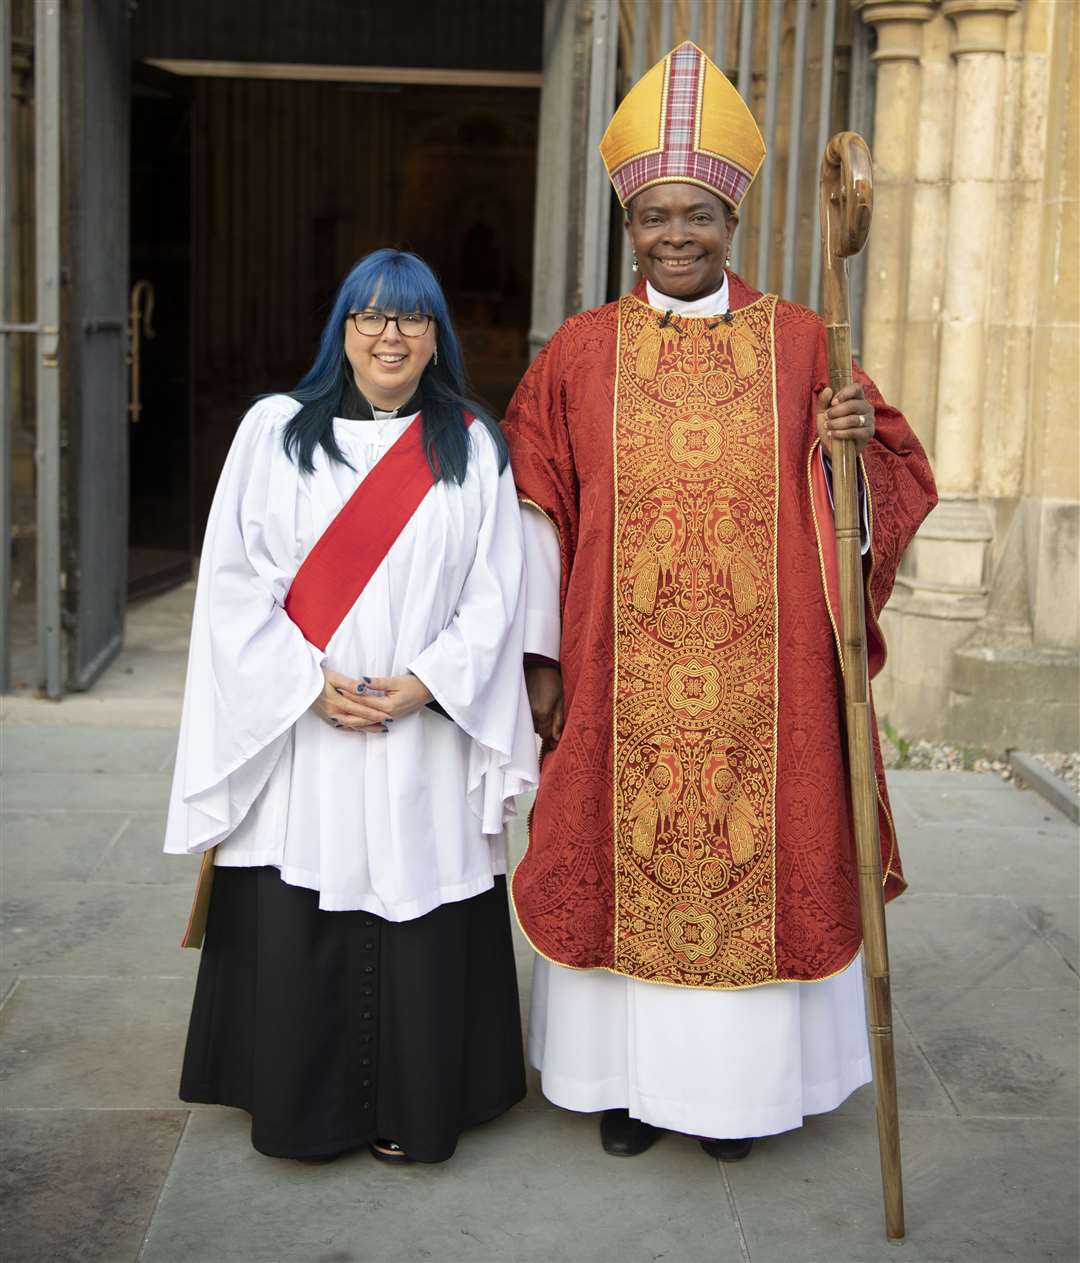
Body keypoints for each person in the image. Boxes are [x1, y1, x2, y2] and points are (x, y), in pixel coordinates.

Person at [503, 42, 937, 1162]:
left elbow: (891, 476)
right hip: (616, 677)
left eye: (697, 214)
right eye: (655, 216)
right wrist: (539, 660)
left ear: (732, 221)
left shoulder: (802, 341)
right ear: (629, 226)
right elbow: (532, 505)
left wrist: (844, 452)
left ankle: (736, 1103)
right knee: (610, 857)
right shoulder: (581, 353)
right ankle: (626, 1089)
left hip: (767, 689)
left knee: (761, 854)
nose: (677, 236)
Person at [164, 248, 538, 1165]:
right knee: (309, 900)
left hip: (424, 730)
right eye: (369, 316)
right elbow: (234, 579)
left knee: (419, 899)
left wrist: (429, 683)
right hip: (310, 728)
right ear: (342, 330)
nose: (390, 334)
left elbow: (498, 591)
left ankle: (416, 1107)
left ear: (436, 336)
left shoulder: (471, 444)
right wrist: (303, 683)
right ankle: (306, 1110)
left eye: (411, 318)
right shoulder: (277, 433)